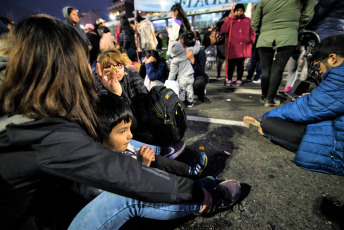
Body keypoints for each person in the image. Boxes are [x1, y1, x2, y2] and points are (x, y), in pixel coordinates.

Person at [0, 15, 242, 230]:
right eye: (78, 61)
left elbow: (132, 119)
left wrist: (118, 96)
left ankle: (189, 179)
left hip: (55, 199)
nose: (83, 68)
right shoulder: (39, 127)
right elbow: (124, 170)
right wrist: (198, 194)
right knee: (129, 191)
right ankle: (206, 199)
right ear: (60, 67)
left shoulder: (22, 98)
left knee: (131, 154)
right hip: (46, 216)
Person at [243, 34, 344, 176]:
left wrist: (266, 117)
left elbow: (306, 109)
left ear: (332, 58)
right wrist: (313, 98)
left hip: (337, 149)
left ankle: (265, 127)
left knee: (270, 122)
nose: (320, 71)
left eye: (318, 65)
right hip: (336, 131)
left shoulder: (340, 75)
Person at [251, 0, 314, 107]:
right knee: (278, 68)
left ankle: (264, 96)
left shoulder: (264, 1)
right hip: (288, 35)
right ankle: (270, 99)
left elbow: (255, 21)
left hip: (265, 36)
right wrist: (295, 26)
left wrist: (261, 30)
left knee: (266, 69)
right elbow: (307, 15)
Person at [220, 4, 256, 87]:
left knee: (240, 65)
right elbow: (223, 30)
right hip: (232, 47)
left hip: (243, 47)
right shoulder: (230, 20)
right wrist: (228, 18)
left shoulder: (247, 20)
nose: (239, 12)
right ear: (234, 11)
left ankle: (239, 79)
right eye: (237, 10)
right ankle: (229, 78)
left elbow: (252, 31)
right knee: (231, 65)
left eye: (241, 10)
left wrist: (251, 40)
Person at [180, 32, 211, 104]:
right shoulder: (180, 53)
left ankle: (200, 94)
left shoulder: (200, 53)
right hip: (183, 80)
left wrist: (192, 61)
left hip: (195, 78)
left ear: (186, 47)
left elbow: (201, 72)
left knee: (199, 81)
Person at [167, 41, 195, 107]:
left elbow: (173, 73)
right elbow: (196, 49)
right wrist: (197, 44)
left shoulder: (174, 61)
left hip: (182, 77)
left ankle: (182, 102)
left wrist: (169, 81)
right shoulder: (187, 52)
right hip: (190, 75)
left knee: (182, 90)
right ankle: (190, 102)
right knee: (190, 89)